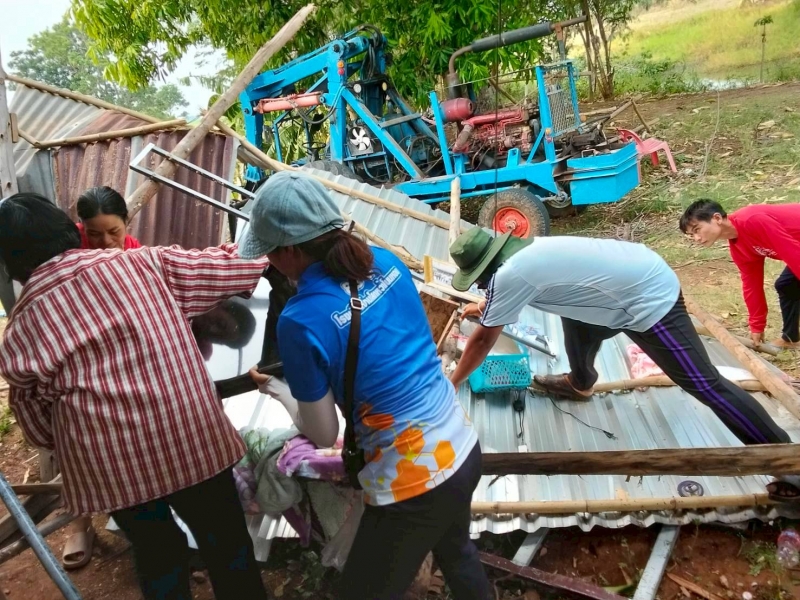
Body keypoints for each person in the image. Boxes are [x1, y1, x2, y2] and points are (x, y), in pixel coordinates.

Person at [0, 193, 270, 600]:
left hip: (111, 470)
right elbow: (236, 266)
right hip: (191, 440)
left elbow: (40, 430)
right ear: (69, 232)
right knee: (226, 543)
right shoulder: (144, 264)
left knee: (158, 555)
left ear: (10, 263)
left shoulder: (20, 331)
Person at [241, 171, 492, 600]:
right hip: (462, 448)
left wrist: (278, 390)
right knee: (457, 553)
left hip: (412, 483)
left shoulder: (299, 320)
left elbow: (323, 434)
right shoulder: (386, 263)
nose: (267, 261)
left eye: (268, 251)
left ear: (289, 250)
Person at [448, 229, 793, 464]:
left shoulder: (511, 275)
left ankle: (784, 458)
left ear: (489, 267)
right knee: (577, 321)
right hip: (626, 279)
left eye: (480, 280)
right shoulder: (524, 251)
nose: (481, 286)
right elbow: (522, 288)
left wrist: (453, 382)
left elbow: (483, 340)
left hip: (647, 298)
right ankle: (580, 383)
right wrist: (487, 306)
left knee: (705, 384)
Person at [61, 186, 143, 569]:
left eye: (113, 232)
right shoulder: (68, 251)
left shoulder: (136, 253)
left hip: (120, 352)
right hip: (79, 351)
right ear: (82, 228)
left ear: (127, 223)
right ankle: (80, 523)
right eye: (94, 234)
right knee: (75, 432)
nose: (106, 243)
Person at [679, 200, 800, 350]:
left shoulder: (752, 221)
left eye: (697, 230)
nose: (696, 238)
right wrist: (757, 326)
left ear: (717, 218)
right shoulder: (739, 246)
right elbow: (752, 285)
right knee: (786, 285)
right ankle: (790, 338)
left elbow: (795, 258)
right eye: (692, 235)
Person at [76, 186, 142, 250]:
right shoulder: (73, 240)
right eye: (94, 234)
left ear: (125, 222)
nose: (106, 241)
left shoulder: (134, 249)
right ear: (83, 226)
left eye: (114, 232)